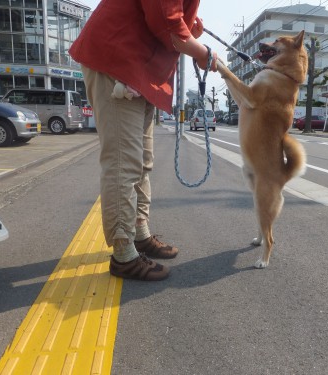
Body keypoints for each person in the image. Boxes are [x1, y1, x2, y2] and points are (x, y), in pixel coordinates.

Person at [69, 0, 217, 281]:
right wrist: (202, 51)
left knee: (141, 162)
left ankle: (139, 234)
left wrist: (190, 35)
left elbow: (170, 25)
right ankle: (123, 255)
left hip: (138, 69)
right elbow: (171, 27)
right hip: (117, 60)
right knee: (124, 164)